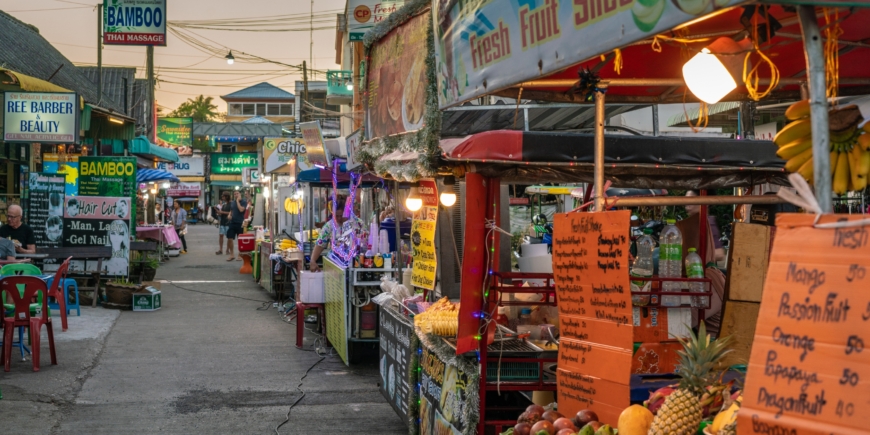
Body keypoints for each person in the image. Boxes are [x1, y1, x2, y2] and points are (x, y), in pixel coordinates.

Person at [309, 195, 364, 272]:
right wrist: (313, 260)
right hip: (335, 265)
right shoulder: (329, 226)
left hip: (355, 264)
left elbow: (364, 242)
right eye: (336, 216)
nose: (338, 218)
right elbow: (320, 243)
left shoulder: (358, 223)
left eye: (341, 216)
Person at [683, 191, 726, 263]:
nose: (687, 204)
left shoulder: (708, 223)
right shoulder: (692, 223)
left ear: (706, 203)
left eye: (691, 200)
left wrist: (692, 258)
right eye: (685, 200)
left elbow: (719, 254)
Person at [225, 190, 247, 261]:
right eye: (235, 194)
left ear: (240, 194)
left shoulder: (244, 202)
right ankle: (232, 254)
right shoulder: (232, 203)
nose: (236, 195)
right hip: (232, 222)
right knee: (229, 238)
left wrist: (238, 201)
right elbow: (231, 211)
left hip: (240, 223)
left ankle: (240, 255)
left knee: (240, 240)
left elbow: (241, 210)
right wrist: (229, 215)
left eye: (237, 193)